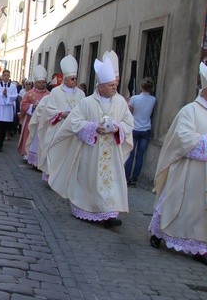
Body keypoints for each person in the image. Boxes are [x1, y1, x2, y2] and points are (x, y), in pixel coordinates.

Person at [149, 59, 207, 268]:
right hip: (190, 172)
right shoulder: (190, 111)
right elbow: (182, 138)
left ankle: (202, 248)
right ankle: (160, 233)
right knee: (178, 204)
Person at [47, 57, 133, 228]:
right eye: (110, 85)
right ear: (100, 87)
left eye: (115, 84)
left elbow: (129, 122)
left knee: (111, 181)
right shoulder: (86, 103)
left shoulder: (120, 102)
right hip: (91, 150)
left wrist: (117, 128)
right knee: (90, 180)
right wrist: (93, 127)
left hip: (111, 152)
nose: (115, 87)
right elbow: (73, 122)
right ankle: (86, 208)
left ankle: (110, 213)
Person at [34, 55, 85, 179]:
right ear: (65, 79)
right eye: (72, 78)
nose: (75, 81)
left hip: (73, 129)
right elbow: (49, 109)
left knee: (69, 154)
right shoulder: (56, 92)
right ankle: (51, 176)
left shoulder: (81, 93)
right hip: (57, 127)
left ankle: (64, 178)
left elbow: (84, 110)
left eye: (75, 78)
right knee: (55, 151)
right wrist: (62, 113)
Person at [124, 77, 156, 187]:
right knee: (140, 156)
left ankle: (126, 178)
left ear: (141, 86)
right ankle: (134, 179)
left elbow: (130, 113)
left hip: (134, 128)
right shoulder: (153, 100)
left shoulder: (134, 98)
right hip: (145, 129)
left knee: (131, 155)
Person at [18, 66, 50, 159]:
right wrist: (32, 107)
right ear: (35, 83)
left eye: (43, 82)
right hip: (31, 120)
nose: (42, 84)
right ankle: (27, 153)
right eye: (39, 82)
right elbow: (23, 105)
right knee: (30, 136)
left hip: (44, 121)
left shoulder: (49, 94)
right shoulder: (29, 94)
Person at [0, 69, 18, 152]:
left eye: (8, 75)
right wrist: (1, 94)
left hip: (6, 111)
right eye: (5, 75)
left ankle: (0, 145)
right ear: (2, 76)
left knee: (3, 129)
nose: (6, 77)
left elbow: (14, 96)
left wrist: (7, 95)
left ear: (9, 76)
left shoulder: (13, 86)